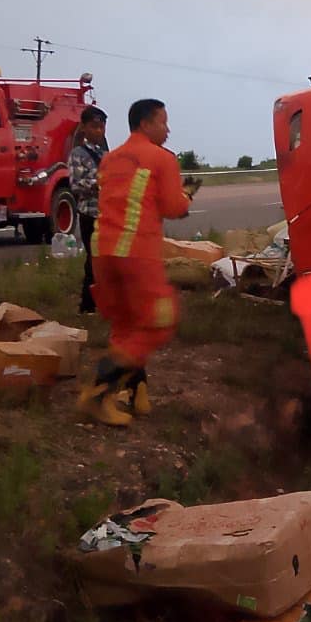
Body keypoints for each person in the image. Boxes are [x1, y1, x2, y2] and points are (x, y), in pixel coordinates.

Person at [79, 98, 197, 426]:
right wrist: (187, 197)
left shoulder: (110, 158)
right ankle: (98, 392)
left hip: (102, 249)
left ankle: (134, 391)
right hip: (135, 250)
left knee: (127, 324)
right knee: (160, 321)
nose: (168, 129)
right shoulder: (161, 158)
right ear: (146, 124)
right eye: (163, 122)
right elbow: (173, 207)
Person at [67, 106, 108, 314]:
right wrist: (98, 183)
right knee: (93, 261)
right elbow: (76, 185)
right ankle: (87, 305)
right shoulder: (78, 154)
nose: (99, 131)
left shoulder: (106, 153)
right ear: (83, 128)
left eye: (101, 127)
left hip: (108, 214)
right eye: (94, 127)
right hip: (89, 214)